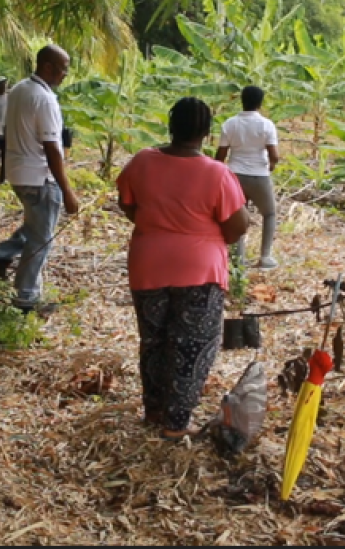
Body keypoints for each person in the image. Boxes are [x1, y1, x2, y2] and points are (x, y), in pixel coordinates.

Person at [116, 97, 249, 440]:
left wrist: (156, 227)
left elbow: (128, 204)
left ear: (171, 126)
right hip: (199, 270)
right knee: (191, 345)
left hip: (147, 263)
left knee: (154, 340)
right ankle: (175, 424)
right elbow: (237, 226)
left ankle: (154, 411)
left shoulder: (142, 162)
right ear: (205, 132)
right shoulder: (217, 174)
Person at [0, 45, 80, 315]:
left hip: (18, 172)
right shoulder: (44, 99)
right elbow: (51, 147)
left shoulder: (21, 89)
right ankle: (26, 299)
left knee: (35, 228)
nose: (64, 75)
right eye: (62, 69)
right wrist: (67, 190)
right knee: (41, 240)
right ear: (47, 67)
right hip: (39, 176)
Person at [215, 85, 280, 270]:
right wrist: (272, 165)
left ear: (242, 101)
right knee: (269, 213)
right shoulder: (266, 125)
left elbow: (220, 155)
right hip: (259, 175)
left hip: (235, 175)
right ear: (260, 103)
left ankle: (239, 257)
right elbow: (274, 154)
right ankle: (265, 256)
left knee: (238, 215)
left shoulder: (230, 123)